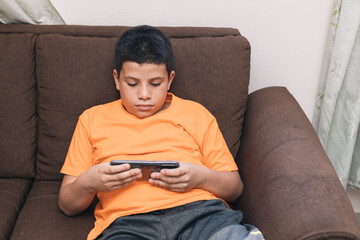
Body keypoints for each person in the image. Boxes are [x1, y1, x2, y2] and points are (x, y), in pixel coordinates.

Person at [58, 25, 264, 240]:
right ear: (117, 79)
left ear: (170, 80)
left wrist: (199, 177)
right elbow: (67, 205)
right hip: (128, 224)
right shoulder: (91, 119)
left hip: (200, 215)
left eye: (155, 84)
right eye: (132, 83)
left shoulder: (196, 114)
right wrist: (88, 182)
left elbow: (234, 188)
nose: (144, 95)